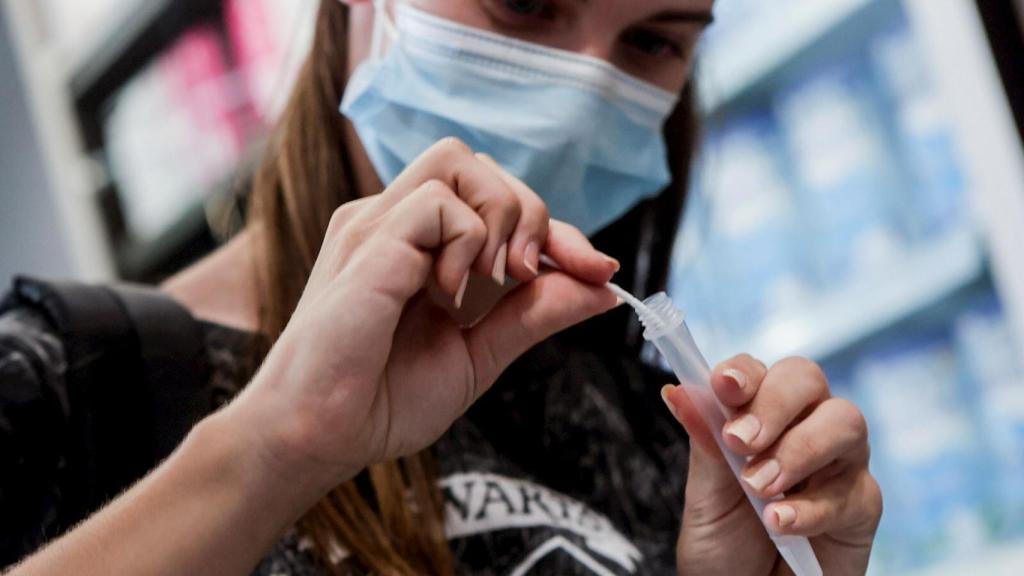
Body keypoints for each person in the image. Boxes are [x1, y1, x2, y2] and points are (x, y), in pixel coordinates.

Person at [0, 0, 882, 574]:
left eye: (652, 40)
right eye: (525, 4)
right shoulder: (65, 380)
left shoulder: (634, 398)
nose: (577, 101)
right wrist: (275, 448)